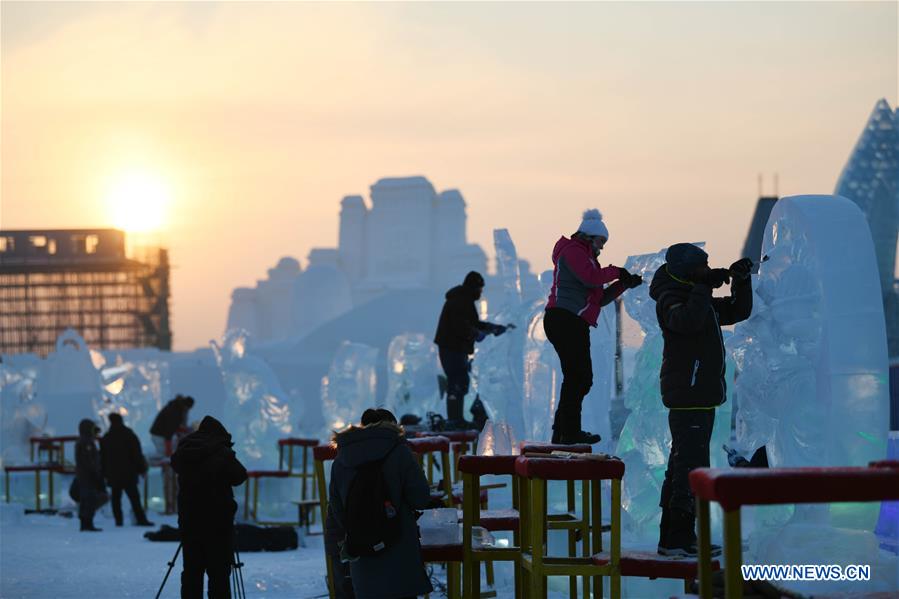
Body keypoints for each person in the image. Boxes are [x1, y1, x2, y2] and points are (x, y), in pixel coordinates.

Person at [649, 243, 752, 556]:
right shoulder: (671, 297)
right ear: (685, 269)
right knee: (690, 468)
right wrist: (704, 287)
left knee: (682, 466)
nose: (707, 271)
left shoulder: (695, 294)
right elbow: (687, 321)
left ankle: (673, 537)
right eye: (701, 266)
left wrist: (740, 280)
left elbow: (737, 311)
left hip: (699, 395)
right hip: (687, 395)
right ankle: (679, 538)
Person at [544, 209, 643, 444]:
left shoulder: (588, 259)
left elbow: (599, 299)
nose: (602, 246)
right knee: (579, 377)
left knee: (577, 378)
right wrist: (617, 271)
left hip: (571, 321)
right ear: (589, 236)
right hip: (564, 319)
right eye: (601, 241)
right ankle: (568, 432)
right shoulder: (572, 251)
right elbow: (591, 277)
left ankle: (563, 432)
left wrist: (623, 284)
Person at [329, 408, 432, 599]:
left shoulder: (341, 460)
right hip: (401, 563)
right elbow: (420, 498)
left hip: (363, 561)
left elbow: (337, 512)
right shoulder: (400, 451)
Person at [170, 416, 248, 599]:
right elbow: (240, 476)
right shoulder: (221, 452)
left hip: (190, 521)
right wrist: (228, 453)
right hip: (218, 522)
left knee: (191, 572)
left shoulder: (185, 450)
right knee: (219, 574)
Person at [434, 271, 511, 430]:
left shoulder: (464, 299)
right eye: (480, 288)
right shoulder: (459, 300)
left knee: (460, 381)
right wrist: (476, 333)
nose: (481, 292)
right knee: (457, 381)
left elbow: (473, 322)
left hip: (455, 347)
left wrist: (493, 328)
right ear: (473, 287)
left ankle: (457, 418)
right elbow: (460, 325)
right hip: (451, 347)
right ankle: (454, 420)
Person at [99, 412, 154, 527]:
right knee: (134, 498)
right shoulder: (129, 435)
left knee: (116, 498)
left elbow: (102, 458)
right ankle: (141, 519)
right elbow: (137, 454)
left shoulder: (107, 438)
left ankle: (118, 521)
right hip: (129, 473)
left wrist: (104, 474)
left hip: (113, 474)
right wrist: (142, 469)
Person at [75, 418, 108, 532]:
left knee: (86, 499)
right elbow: (89, 461)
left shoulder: (83, 441)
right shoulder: (87, 443)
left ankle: (85, 522)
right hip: (88, 476)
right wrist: (96, 472)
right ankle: (87, 523)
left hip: (84, 476)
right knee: (89, 499)